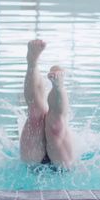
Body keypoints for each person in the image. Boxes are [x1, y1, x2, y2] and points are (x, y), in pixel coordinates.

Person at [19, 39, 74, 168]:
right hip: (46, 167)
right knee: (36, 116)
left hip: (36, 167)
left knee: (54, 125)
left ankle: (57, 86)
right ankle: (33, 63)